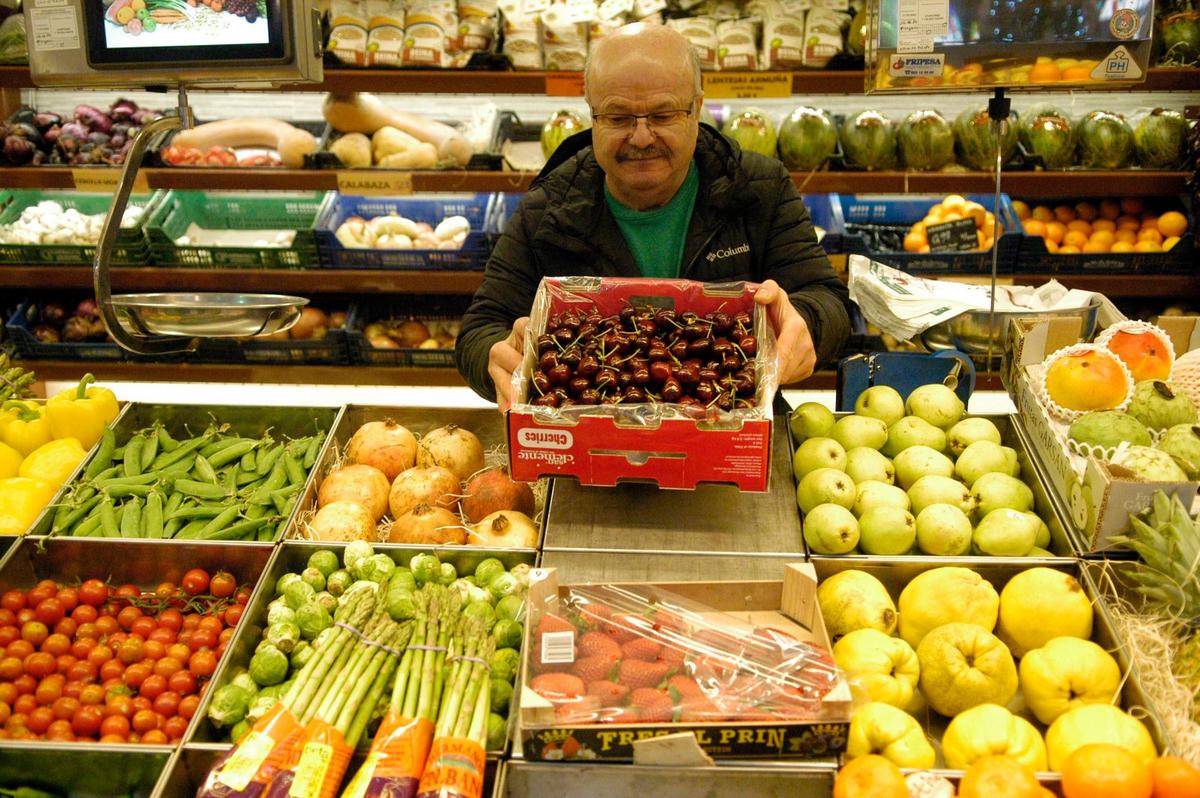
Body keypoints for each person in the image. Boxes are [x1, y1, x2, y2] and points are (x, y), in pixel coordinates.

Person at [455, 22, 852, 409]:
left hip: (728, 432)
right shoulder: (549, 209)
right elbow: (480, 328)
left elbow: (828, 302)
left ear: (696, 109)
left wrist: (806, 324)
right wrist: (496, 355)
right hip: (592, 446)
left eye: (663, 115)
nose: (641, 137)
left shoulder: (758, 189)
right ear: (592, 115)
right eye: (618, 117)